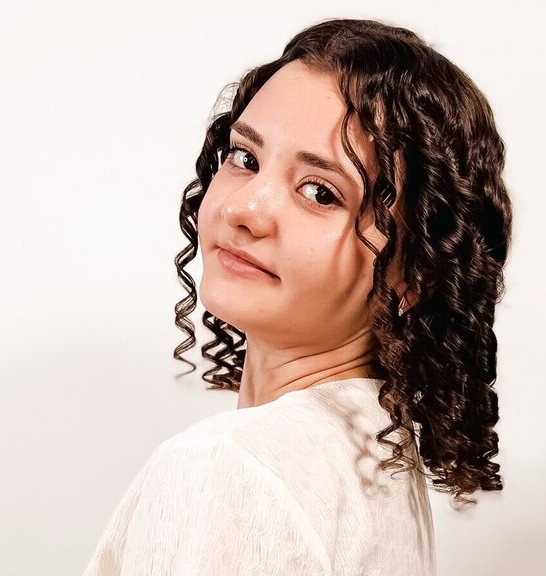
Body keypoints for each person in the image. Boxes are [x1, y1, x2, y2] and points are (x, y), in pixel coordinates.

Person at [82, 16, 512, 576]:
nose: (244, 209)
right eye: (245, 158)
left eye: (320, 193)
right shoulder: (376, 454)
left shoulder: (228, 466)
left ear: (414, 274)